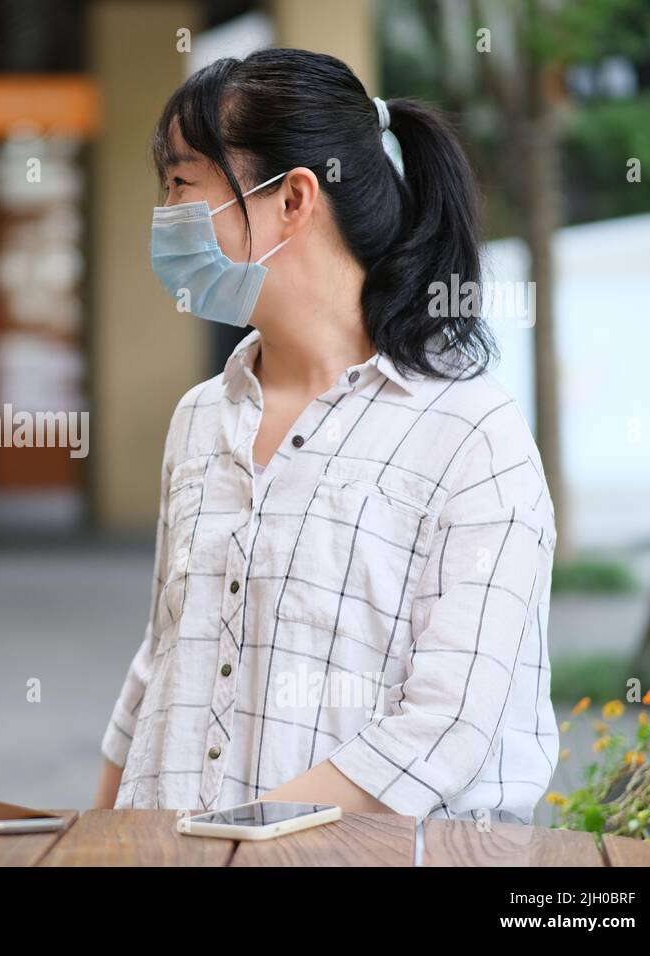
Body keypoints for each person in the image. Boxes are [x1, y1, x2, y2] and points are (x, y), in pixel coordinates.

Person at [94, 48, 558, 825]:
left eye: (181, 183)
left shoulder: (469, 433)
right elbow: (162, 663)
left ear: (294, 199)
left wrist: (232, 841)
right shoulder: (202, 418)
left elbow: (447, 726)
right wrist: (95, 842)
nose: (164, 214)